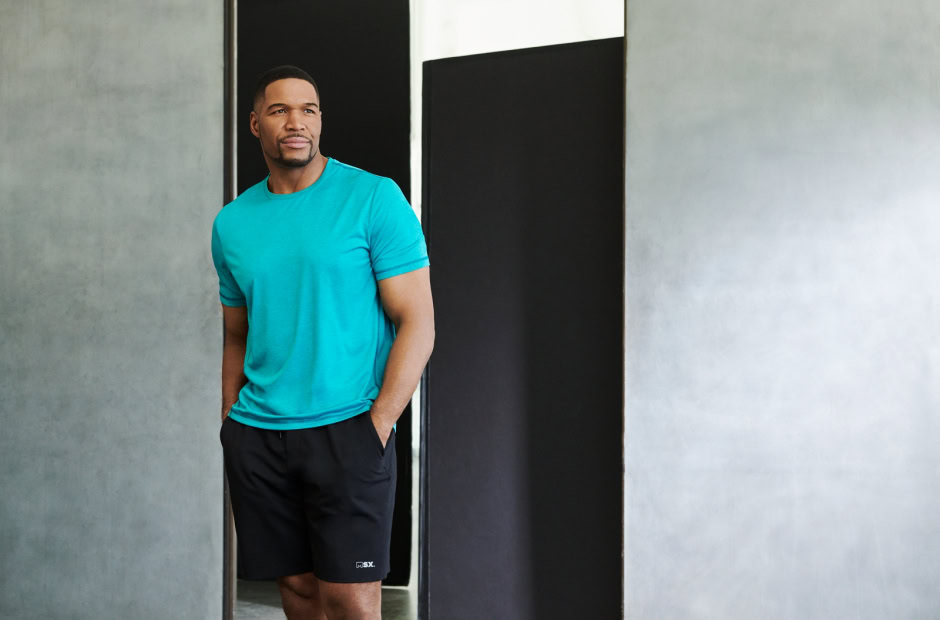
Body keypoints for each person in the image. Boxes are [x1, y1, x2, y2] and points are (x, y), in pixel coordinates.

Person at [210, 64, 435, 620]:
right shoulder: (232, 223)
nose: (297, 122)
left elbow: (418, 322)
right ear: (256, 122)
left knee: (351, 603)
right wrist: (229, 420)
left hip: (348, 428)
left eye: (309, 109)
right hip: (259, 435)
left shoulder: (373, 199)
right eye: (281, 109)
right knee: (299, 593)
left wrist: (379, 422)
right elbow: (236, 332)